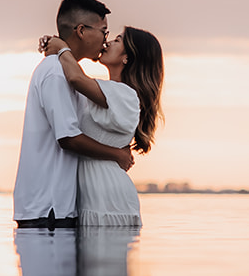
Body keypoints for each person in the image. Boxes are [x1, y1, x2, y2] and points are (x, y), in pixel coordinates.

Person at [13, 0, 135, 229]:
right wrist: (117, 155)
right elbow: (68, 138)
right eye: (103, 31)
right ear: (81, 30)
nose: (105, 40)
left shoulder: (68, 73)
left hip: (56, 208)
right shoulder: (56, 73)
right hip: (48, 209)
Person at [40, 25, 164, 226]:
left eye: (117, 40)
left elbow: (75, 78)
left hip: (107, 194)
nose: (108, 42)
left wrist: (62, 48)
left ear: (128, 57)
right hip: (94, 191)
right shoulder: (104, 93)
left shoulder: (125, 94)